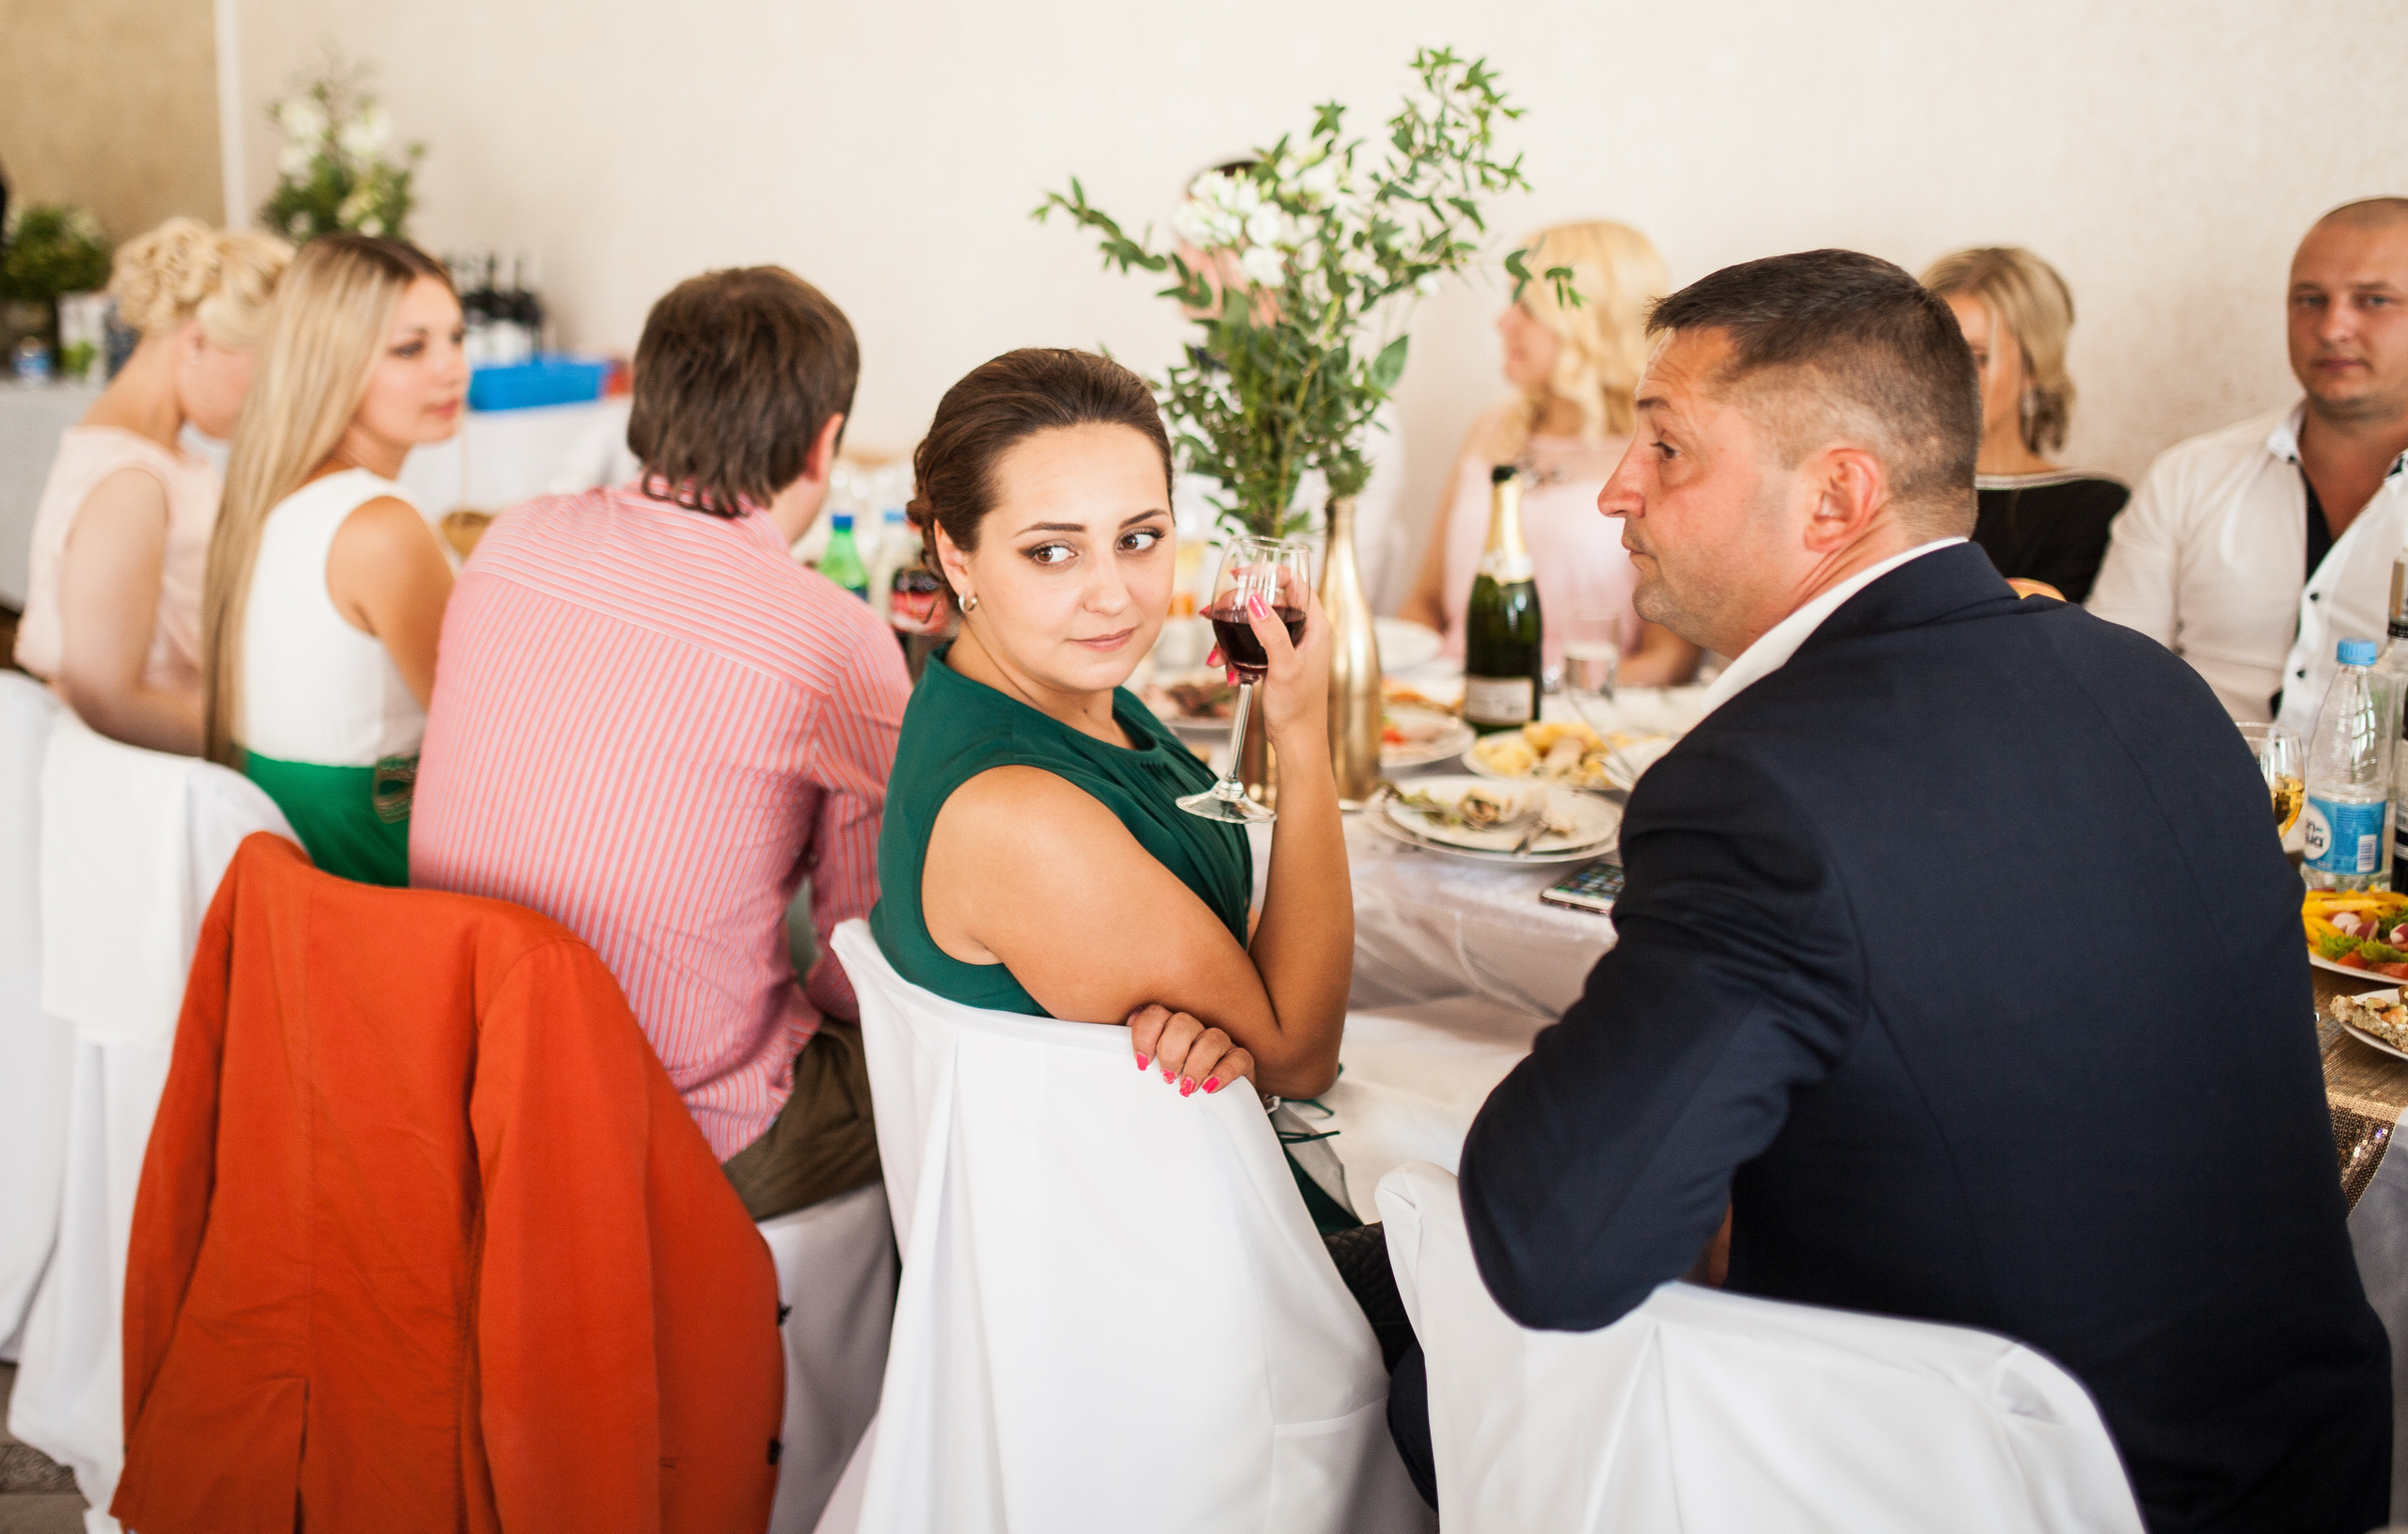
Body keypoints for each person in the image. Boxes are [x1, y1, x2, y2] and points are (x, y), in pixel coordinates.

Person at [1389, 249, 2389, 1533]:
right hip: (2305, 1464)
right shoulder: (2154, 687)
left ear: (1837, 496)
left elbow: (1555, 1245)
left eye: (1670, 450)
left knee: (1419, 1350)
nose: (1617, 494)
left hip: (2016, 1484)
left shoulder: (1756, 784)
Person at [411, 267, 903, 1216]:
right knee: (939, 1068)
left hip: (462, 1076)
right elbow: (860, 965)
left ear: (645, 405)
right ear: (824, 441)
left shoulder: (510, 541)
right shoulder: (834, 636)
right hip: (674, 1130)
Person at [871, 346, 1355, 1224]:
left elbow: (1224, 944)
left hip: (1174, 1187)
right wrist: (1302, 734)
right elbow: (1298, 1055)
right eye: (1052, 551)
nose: (1114, 597)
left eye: (1139, 538)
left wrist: (1228, 984)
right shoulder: (1018, 817)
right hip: (1163, 1257)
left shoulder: (1072, 693)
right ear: (958, 553)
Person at [200, 233, 461, 885]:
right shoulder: (381, 529)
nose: (451, 368)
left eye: (457, 337)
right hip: (374, 876)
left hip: (293, 880)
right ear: (329, 360)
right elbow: (489, 736)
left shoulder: (269, 497)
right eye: (411, 347)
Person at [2089, 197, 2408, 725]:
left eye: (2374, 300)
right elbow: (2109, 682)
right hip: (2194, 795)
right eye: (2309, 299)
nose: (2333, 328)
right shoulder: (2187, 477)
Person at [15, 218, 290, 751]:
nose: (273, 398)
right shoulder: (130, 482)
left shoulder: (161, 457)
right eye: (269, 369)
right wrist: (258, 758)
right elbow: (107, 697)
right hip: (147, 776)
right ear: (197, 342)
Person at [1397, 221, 1699, 682]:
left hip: (1576, 727)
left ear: (1591, 319)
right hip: (1449, 708)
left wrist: (1543, 703)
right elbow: (1425, 601)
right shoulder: (1492, 429)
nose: (1503, 321)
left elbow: (1669, 660)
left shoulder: (1662, 453)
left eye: (1527, 306)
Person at [1921, 245, 2127, 602]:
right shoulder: (1877, 491)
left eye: (1979, 358)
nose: (1949, 376)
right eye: (1934, 352)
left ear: (2034, 368)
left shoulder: (2090, 508)